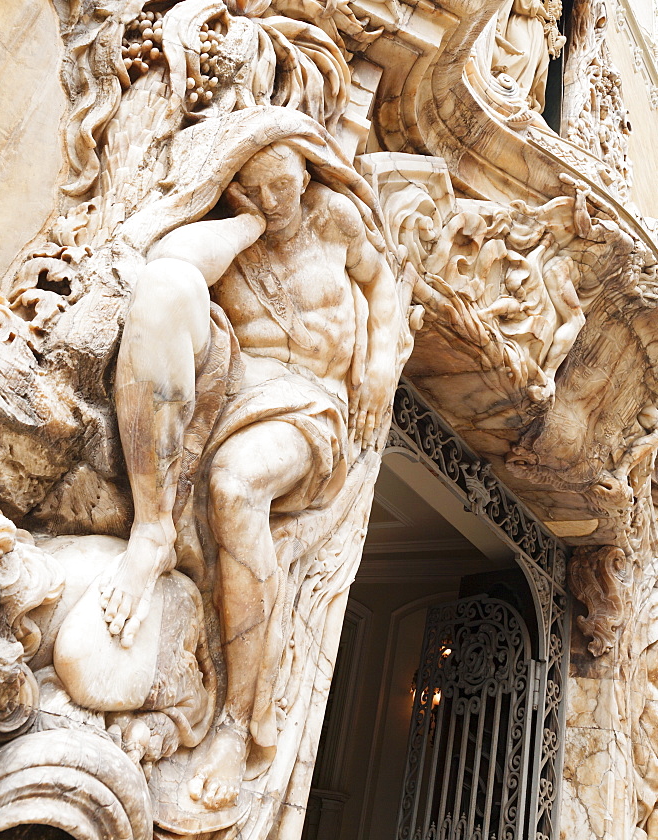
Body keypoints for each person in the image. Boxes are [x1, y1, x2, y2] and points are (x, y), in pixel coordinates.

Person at [99, 118, 401, 812]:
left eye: (285, 182)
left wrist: (382, 362)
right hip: (232, 385)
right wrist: (242, 224)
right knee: (166, 288)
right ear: (233, 182)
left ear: (308, 171)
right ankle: (152, 530)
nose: (275, 199)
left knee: (236, 484)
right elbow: (171, 265)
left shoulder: (333, 215)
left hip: (311, 411)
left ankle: (236, 727)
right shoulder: (236, 230)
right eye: (255, 185)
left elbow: (383, 282)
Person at [492, 0, 565, 113]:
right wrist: (545, 13)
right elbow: (522, 3)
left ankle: (519, 94)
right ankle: (501, 82)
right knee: (522, 55)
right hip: (520, 25)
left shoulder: (541, 9)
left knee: (532, 63)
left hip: (536, 35)